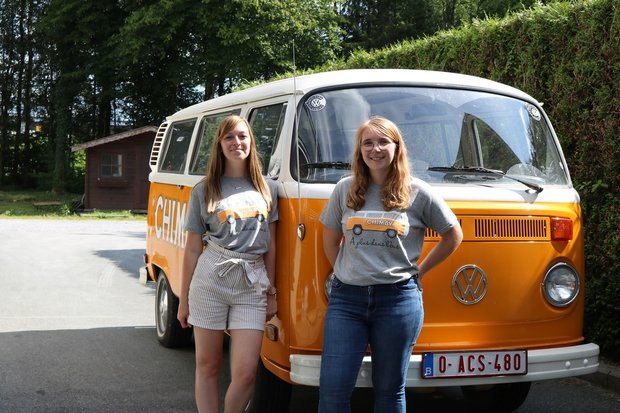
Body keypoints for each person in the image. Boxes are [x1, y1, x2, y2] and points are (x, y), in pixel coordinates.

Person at [318, 116, 463, 413]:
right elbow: (330, 241)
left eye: (383, 142)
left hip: (397, 300)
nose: (375, 149)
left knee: (389, 391)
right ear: (359, 149)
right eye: (368, 143)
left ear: (397, 147)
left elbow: (453, 235)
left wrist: (420, 271)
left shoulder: (418, 192)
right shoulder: (344, 189)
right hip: (347, 301)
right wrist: (348, 271)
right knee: (333, 392)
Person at [177, 115, 278, 413]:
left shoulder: (268, 188)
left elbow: (272, 247)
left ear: (251, 142)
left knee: (246, 373)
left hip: (252, 282)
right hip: (211, 277)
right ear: (219, 145)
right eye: (229, 138)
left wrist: (272, 290)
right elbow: (193, 248)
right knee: (208, 366)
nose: (237, 143)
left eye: (243, 136)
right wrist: (184, 300)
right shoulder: (205, 189)